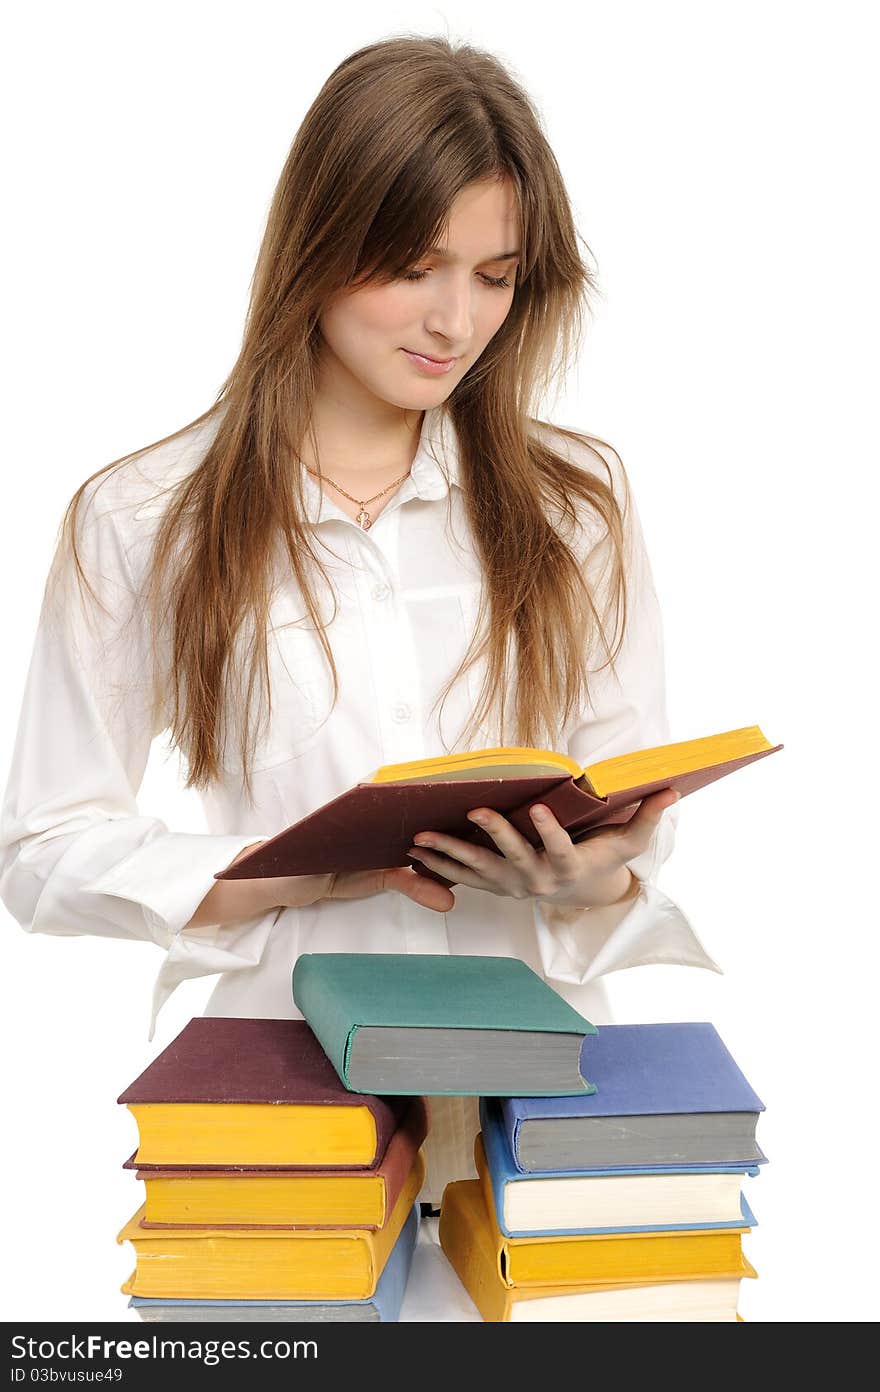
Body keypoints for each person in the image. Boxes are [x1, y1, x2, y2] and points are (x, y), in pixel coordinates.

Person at [0, 34, 718, 1210]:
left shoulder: (575, 505)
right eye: (415, 267)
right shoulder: (141, 519)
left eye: (495, 276)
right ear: (320, 251)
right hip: (289, 1105)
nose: (454, 320)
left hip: (537, 1100)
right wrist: (281, 875)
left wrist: (589, 879)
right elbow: (39, 851)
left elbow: (630, 802)